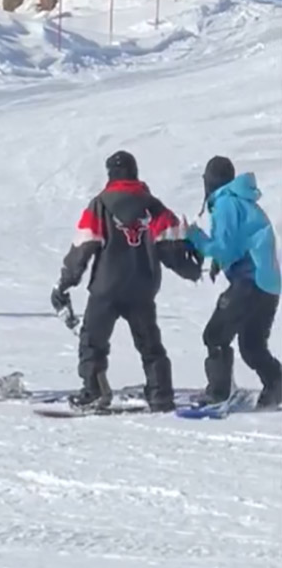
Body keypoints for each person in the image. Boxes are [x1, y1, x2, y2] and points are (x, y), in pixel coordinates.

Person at [49, 150, 202, 412]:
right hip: (142, 288)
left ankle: (95, 391)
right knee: (150, 344)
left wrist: (66, 282)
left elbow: (83, 247)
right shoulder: (153, 206)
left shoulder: (100, 204)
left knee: (93, 342)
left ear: (110, 174)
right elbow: (170, 246)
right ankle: (160, 394)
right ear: (135, 172)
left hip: (106, 288)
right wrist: (192, 270)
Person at [185, 156, 281, 408]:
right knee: (251, 345)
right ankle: (276, 386)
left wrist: (194, 236)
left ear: (211, 181)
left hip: (250, 282)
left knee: (214, 335)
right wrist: (220, 261)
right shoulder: (244, 201)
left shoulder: (226, 202)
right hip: (268, 285)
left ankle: (219, 393)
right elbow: (241, 242)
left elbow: (223, 246)